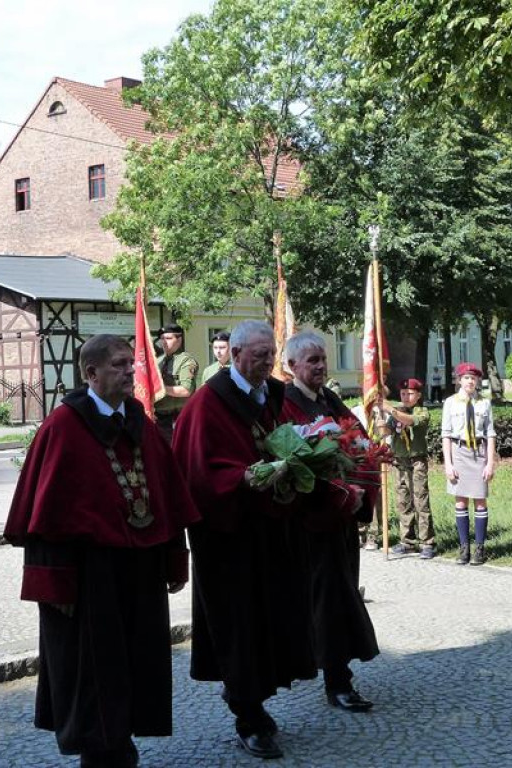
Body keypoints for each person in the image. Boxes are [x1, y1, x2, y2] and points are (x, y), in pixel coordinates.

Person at [3, 334, 200, 767]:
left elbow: (167, 498)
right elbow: (43, 520)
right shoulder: (63, 428)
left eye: (131, 363)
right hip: (90, 577)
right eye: (119, 365)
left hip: (140, 571)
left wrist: (173, 560)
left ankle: (122, 743)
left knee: (135, 664)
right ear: (90, 373)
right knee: (93, 672)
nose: (131, 371)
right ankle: (100, 753)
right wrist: (54, 588)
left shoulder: (140, 422)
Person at [171, 320, 316, 761]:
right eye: (258, 357)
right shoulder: (206, 404)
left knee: (270, 621)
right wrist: (244, 478)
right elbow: (196, 474)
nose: (266, 364)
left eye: (270, 356)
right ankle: (248, 715)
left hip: (270, 531)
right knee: (238, 628)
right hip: (228, 539)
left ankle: (257, 702)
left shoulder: (271, 396)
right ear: (234, 355)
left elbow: (285, 442)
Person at [281, 332, 379, 714]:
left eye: (322, 359)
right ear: (293, 367)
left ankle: (338, 675)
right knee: (321, 602)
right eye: (312, 360)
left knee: (341, 597)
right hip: (310, 523)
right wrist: (340, 493)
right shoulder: (286, 405)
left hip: (340, 520)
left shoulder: (331, 400)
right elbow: (295, 462)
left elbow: (361, 444)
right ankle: (332, 679)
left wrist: (359, 487)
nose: (320, 366)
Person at [441, 362, 496, 565]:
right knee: (461, 500)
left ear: (477, 381)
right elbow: (446, 435)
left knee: (480, 499)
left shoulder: (485, 403)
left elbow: (490, 434)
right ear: (459, 380)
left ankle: (480, 547)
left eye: (473, 378)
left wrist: (490, 463)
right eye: (466, 378)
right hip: (459, 451)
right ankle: (464, 547)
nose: (470, 381)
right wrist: (448, 464)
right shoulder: (450, 403)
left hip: (479, 452)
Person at [382, 378, 435, 558]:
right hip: (399, 460)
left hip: (416, 461)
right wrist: (378, 418)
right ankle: (407, 540)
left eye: (410, 393)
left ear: (418, 395)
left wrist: (391, 409)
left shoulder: (422, 411)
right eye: (403, 393)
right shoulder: (396, 411)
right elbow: (387, 431)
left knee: (420, 499)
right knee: (403, 500)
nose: (406, 396)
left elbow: (411, 421)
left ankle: (427, 541)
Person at [155, 323, 199, 441]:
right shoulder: (158, 361)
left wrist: (160, 388)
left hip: (176, 418)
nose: (164, 342)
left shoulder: (186, 361)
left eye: (169, 338)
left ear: (179, 340)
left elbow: (186, 390)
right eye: (162, 339)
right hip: (158, 417)